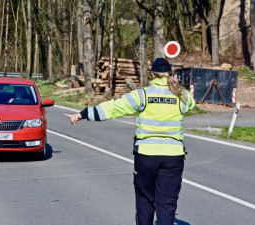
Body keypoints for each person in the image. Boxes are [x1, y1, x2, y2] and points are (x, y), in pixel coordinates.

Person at [64, 58, 195, 225]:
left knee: (145, 201)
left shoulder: (143, 95)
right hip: (173, 157)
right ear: (171, 74)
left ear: (152, 74)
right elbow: (191, 103)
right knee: (167, 205)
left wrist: (83, 114)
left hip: (146, 156)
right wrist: (177, 86)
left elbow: (113, 108)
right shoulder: (181, 96)